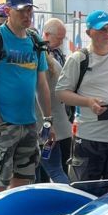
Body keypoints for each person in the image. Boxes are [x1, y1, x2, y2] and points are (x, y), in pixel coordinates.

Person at [0, 0, 53, 196]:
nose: (27, 15)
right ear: (8, 11)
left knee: (23, 184)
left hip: (28, 123)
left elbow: (42, 84)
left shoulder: (34, 41)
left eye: (29, 10)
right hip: (2, 125)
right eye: (21, 11)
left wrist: (47, 119)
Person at [59, 10, 108, 188]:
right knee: (83, 193)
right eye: (101, 30)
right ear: (89, 33)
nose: (106, 33)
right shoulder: (79, 59)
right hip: (89, 138)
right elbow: (61, 93)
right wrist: (88, 102)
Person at [36, 19, 74, 183]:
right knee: (59, 171)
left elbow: (39, 98)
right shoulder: (55, 62)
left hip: (46, 130)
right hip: (62, 129)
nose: (61, 42)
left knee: (49, 174)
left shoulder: (39, 67)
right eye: (59, 37)